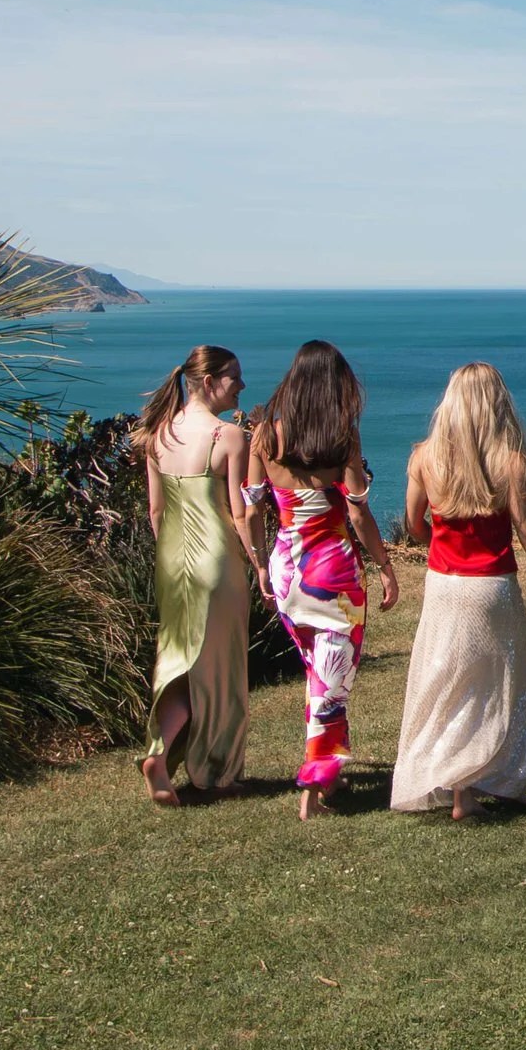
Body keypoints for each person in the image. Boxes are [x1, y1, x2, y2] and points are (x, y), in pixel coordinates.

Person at [390, 362, 526, 820]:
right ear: (496, 403)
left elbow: (412, 523)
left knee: (447, 682)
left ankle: (476, 783)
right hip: (493, 589)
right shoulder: (510, 462)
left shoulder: (424, 457)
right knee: (505, 685)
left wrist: (437, 546)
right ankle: (491, 783)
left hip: (444, 588)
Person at [249, 339, 400, 820]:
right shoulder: (343, 438)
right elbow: (358, 513)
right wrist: (385, 564)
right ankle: (315, 779)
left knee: (320, 672)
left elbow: (252, 506)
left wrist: (257, 564)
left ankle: (330, 772)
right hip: (331, 572)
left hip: (287, 565)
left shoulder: (264, 437)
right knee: (331, 680)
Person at [134, 345, 265, 806]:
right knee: (221, 667)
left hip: (172, 562)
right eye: (235, 377)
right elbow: (240, 514)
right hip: (216, 558)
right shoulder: (227, 436)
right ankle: (217, 771)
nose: (242, 386)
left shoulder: (157, 435)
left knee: (181, 661)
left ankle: (160, 752)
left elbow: (155, 512)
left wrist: (174, 551)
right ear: (209, 382)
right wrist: (260, 566)